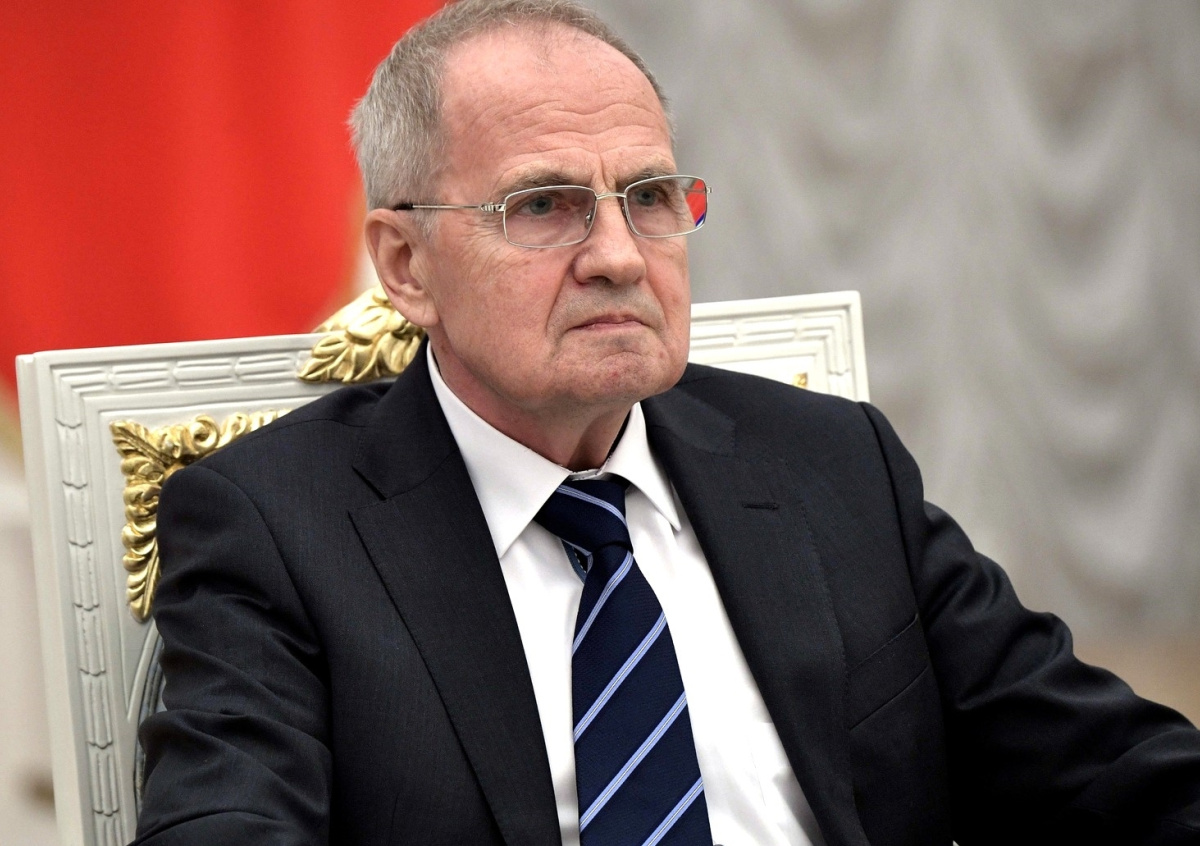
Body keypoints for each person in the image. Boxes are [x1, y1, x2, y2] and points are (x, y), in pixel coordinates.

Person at [133, 1, 1200, 844]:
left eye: (648, 197)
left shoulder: (833, 463)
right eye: (541, 206)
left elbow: (1106, 769)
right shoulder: (275, 525)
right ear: (406, 265)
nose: (618, 256)